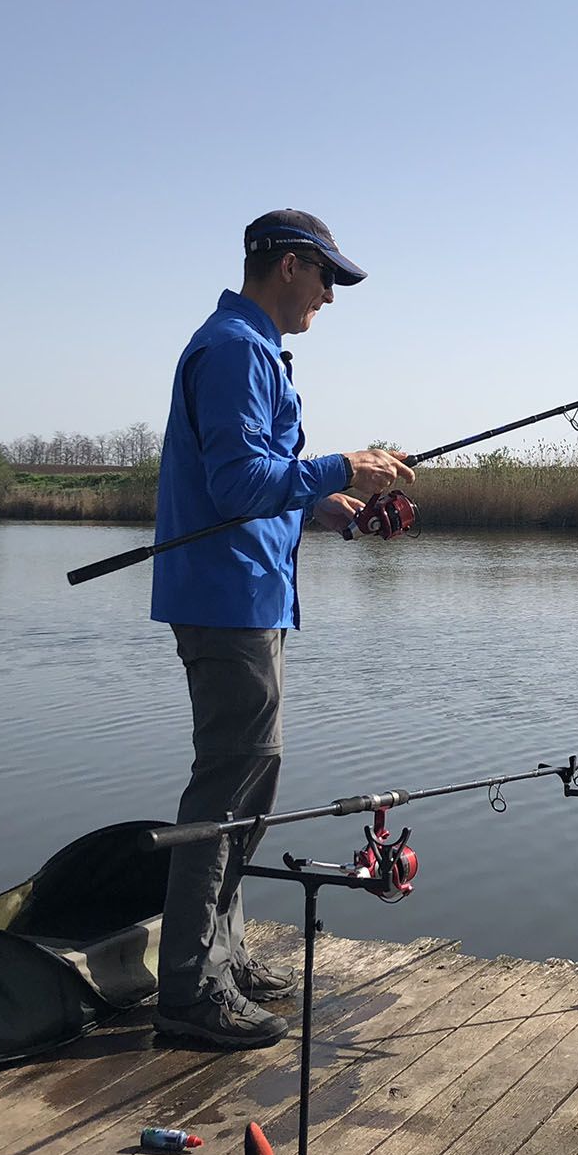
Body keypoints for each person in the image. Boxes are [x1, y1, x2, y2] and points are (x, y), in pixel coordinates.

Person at [149, 208, 413, 1048]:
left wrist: (322, 506)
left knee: (246, 787)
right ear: (291, 265)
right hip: (228, 603)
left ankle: (219, 961)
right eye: (327, 278)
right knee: (228, 791)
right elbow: (234, 484)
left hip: (247, 596)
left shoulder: (248, 348)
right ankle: (190, 991)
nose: (330, 298)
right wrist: (345, 464)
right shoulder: (235, 350)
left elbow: (258, 481)